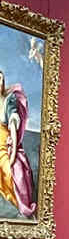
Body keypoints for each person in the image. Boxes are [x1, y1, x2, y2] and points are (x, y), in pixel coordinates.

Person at [0, 68, 36, 217]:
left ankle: (20, 208)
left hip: (3, 145)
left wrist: (13, 152)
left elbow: (13, 125)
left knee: (10, 173)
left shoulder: (9, 101)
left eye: (1, 79)